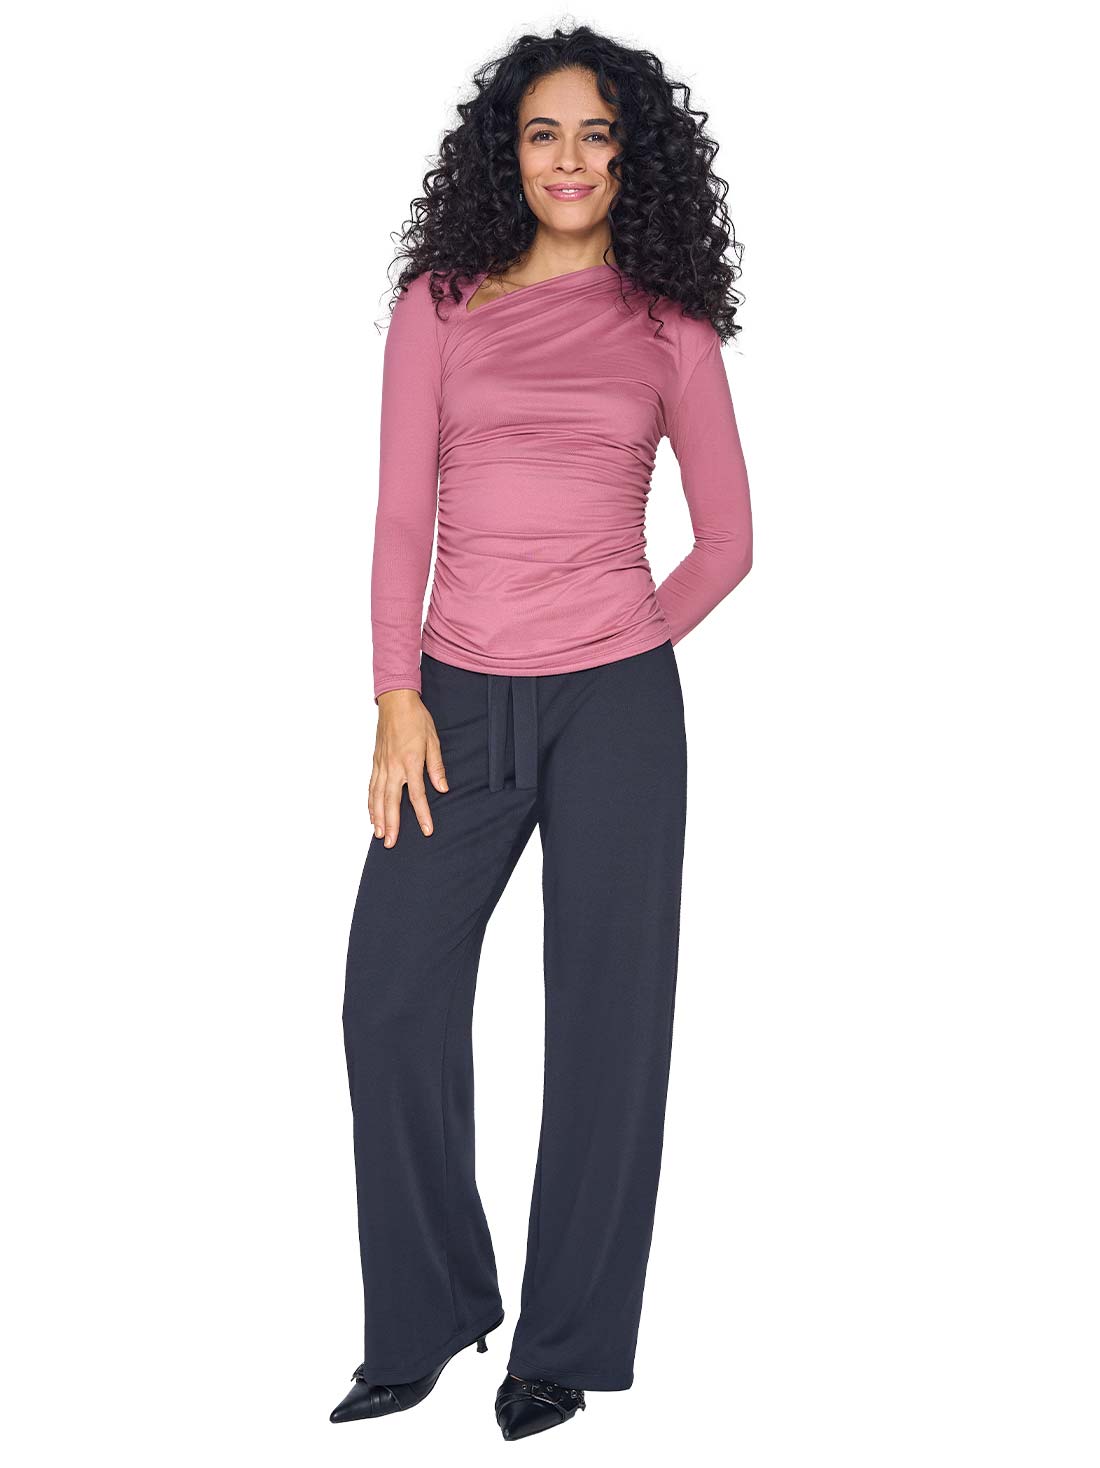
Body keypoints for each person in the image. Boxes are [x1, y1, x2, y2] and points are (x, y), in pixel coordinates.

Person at [331, 23, 753, 1441]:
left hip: (616, 703)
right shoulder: (441, 305)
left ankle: (562, 1343)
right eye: (542, 133)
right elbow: (401, 510)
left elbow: (729, 540)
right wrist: (394, 691)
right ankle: (427, 1314)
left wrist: (619, 637)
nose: (568, 159)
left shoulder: (669, 327)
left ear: (633, 157)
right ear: (505, 154)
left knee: (608, 1024)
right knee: (389, 999)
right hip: (449, 694)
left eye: (596, 134)